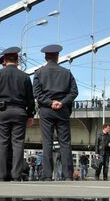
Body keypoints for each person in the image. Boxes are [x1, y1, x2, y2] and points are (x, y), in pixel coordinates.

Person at [0, 47, 35, 182]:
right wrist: (31, 114)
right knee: (18, 144)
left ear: (5, 60)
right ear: (17, 60)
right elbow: (30, 98)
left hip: (2, 112)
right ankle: (16, 175)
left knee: (1, 143)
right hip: (20, 112)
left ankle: (1, 175)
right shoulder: (25, 76)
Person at [33, 44, 78, 181]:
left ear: (46, 57)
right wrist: (62, 102)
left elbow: (37, 93)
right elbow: (74, 92)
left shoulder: (38, 73)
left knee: (47, 142)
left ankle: (47, 175)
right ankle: (68, 175)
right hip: (62, 111)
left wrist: (49, 103)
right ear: (58, 57)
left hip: (46, 111)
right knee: (65, 143)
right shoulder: (67, 73)